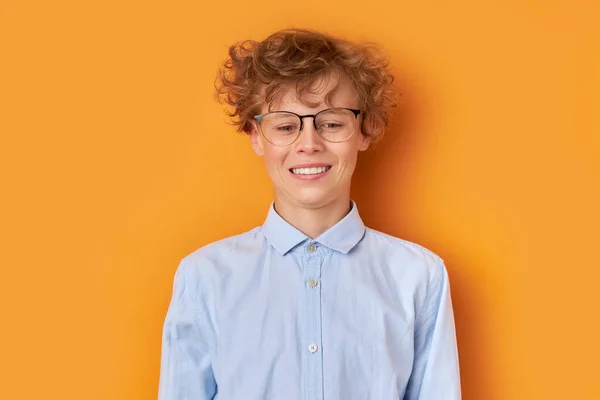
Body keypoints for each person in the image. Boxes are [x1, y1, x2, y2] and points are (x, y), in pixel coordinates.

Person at [158, 28, 461, 400]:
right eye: (286, 126)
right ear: (256, 135)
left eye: (331, 123)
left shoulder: (418, 277)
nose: (309, 144)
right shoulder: (204, 277)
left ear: (363, 130)